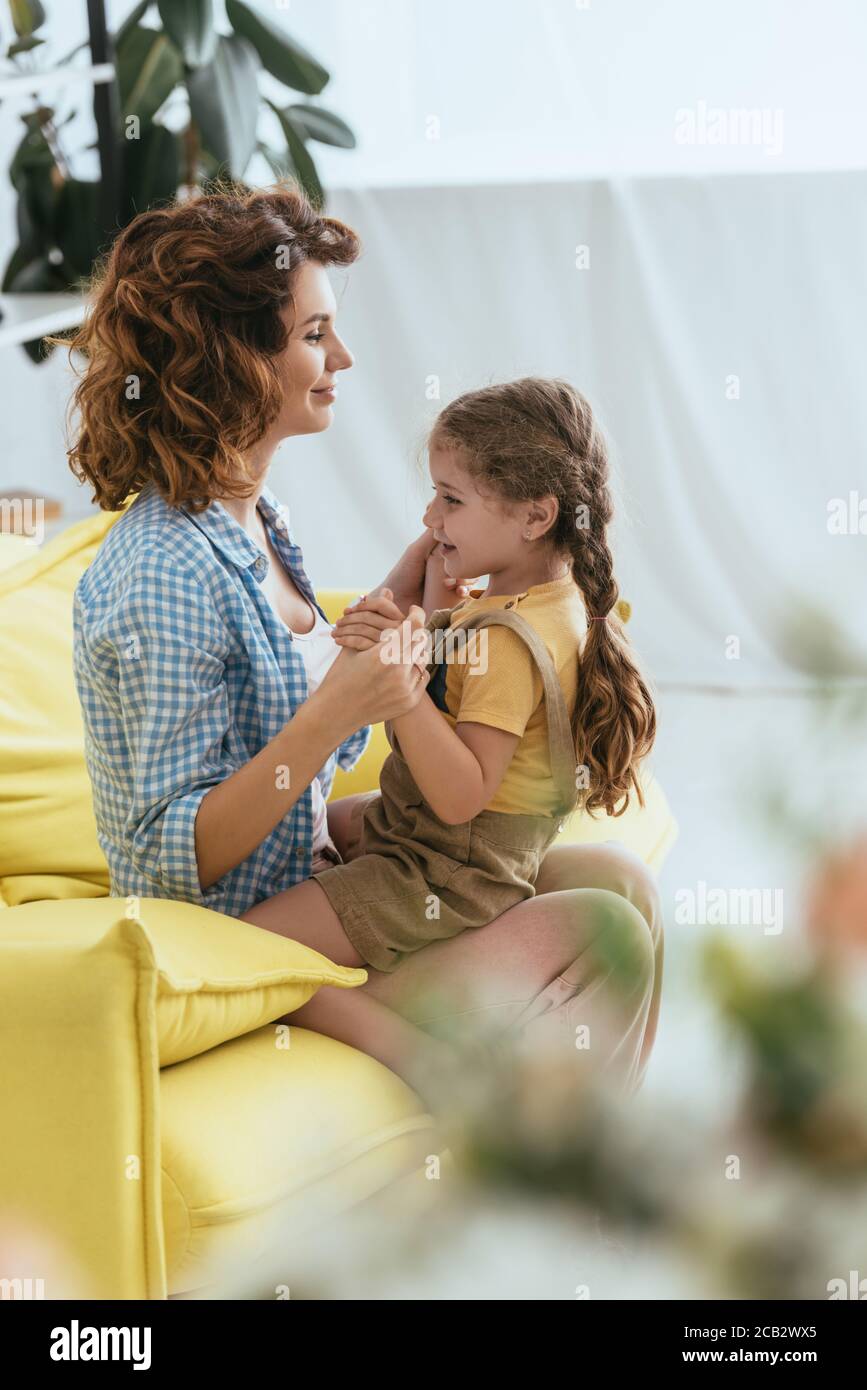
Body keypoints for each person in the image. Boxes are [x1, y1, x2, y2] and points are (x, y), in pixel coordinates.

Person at [65, 184, 663, 1114]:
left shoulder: (255, 521)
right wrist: (337, 712)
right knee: (597, 927)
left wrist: (409, 601)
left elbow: (321, 741)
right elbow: (169, 858)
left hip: (317, 882)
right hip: (237, 946)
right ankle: (491, 1132)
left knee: (622, 878)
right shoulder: (164, 571)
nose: (341, 357)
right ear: (234, 362)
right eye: (313, 335)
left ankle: (569, 1183)